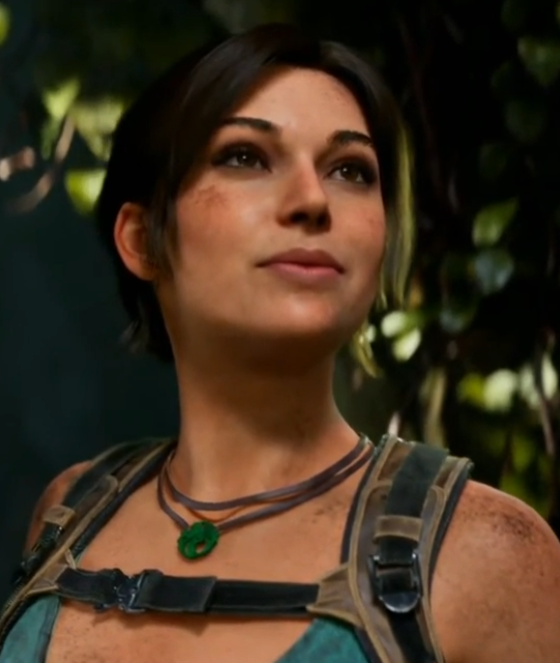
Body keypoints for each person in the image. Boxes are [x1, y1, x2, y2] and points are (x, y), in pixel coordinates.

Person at [1, 22, 560, 663]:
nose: (313, 200)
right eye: (245, 157)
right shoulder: (70, 511)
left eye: (350, 169)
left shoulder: (490, 553)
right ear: (141, 238)